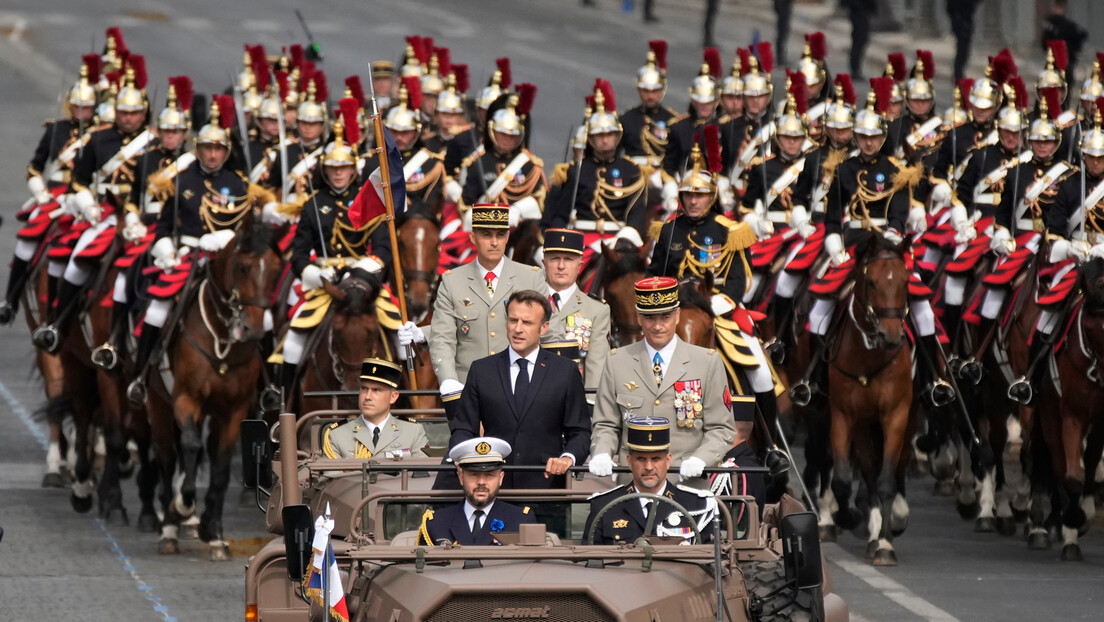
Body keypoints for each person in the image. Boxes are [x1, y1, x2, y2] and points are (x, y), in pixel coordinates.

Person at [589, 276, 737, 483]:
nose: (657, 326)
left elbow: (721, 428)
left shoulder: (706, 362)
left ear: (677, 315)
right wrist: (602, 452)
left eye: (665, 317)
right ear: (639, 317)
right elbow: (606, 424)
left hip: (685, 483)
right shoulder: (617, 361)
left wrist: (701, 459)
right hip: (633, 483)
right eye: (650, 318)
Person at [447, 289, 591, 489]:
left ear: (544, 328)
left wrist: (567, 458)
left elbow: (580, 431)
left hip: (547, 489)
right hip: (493, 487)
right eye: (513, 320)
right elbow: (463, 428)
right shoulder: (481, 370)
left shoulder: (565, 371)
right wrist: (461, 455)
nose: (518, 329)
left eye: (527, 323)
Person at [0, 55, 97, 325]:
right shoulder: (56, 129)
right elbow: (35, 166)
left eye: (87, 108)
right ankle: (11, 299)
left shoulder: (101, 135)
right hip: (54, 194)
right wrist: (41, 193)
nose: (81, 113)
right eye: (77, 107)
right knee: (28, 235)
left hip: (82, 195)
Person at [412, 203, 545, 399]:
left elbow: (548, 334)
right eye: (486, 235)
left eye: (500, 235)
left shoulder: (531, 278)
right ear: (472, 237)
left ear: (508, 236)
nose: (494, 242)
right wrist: (448, 380)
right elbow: (443, 337)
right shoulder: (451, 281)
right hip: (468, 391)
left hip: (522, 391)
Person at [583, 417, 717, 545]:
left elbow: (712, 560)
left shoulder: (697, 506)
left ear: (668, 461)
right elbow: (589, 561)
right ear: (629, 461)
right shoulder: (605, 506)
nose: (648, 467)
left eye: (655, 459)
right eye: (641, 459)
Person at [418, 437, 537, 546]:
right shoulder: (436, 523)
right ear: (461, 477)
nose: (481, 482)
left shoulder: (521, 521)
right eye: (474, 475)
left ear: (500, 478)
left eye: (489, 475)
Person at [541, 229, 611, 394]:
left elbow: (596, 367)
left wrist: (588, 409)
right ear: (544, 263)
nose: (561, 266)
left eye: (569, 260)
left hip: (577, 400)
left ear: (580, 265)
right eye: (555, 259)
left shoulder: (596, 310)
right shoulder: (527, 303)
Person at [323, 358, 430, 460]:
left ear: (393, 397)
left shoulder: (413, 432)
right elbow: (333, 477)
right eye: (364, 388)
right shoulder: (337, 434)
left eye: (377, 390)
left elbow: (422, 475)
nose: (368, 396)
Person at [946, 0, 981, 81]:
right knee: (962, 48)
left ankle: (958, 72)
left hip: (965, 18)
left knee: (964, 49)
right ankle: (957, 73)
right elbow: (950, 7)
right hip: (959, 19)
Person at [842, 0, 874, 79]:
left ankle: (856, 69)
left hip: (863, 12)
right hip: (858, 12)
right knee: (858, 40)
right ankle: (855, 70)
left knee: (861, 41)